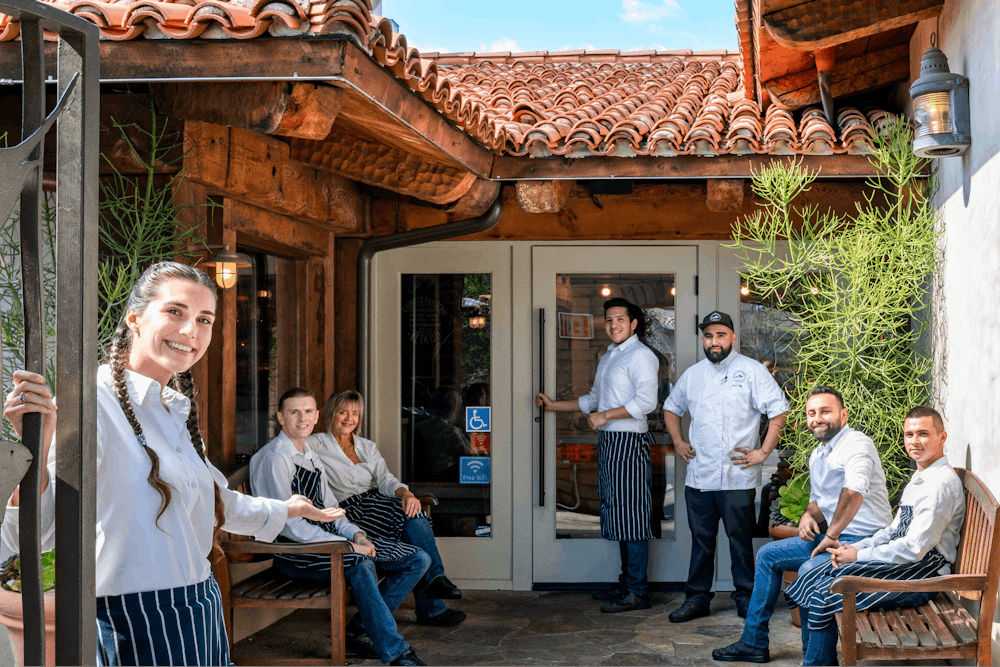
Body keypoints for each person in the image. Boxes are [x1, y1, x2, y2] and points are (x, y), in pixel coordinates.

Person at [1, 261, 340, 667]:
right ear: (135, 318)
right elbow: (36, 532)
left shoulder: (173, 411)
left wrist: (288, 509)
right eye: (175, 312)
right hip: (135, 616)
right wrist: (33, 450)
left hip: (201, 601)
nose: (190, 331)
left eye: (204, 319)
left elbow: (215, 503)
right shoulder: (90, 404)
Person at [713, 385, 893, 664]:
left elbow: (854, 490)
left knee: (809, 569)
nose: (817, 418)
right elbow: (819, 499)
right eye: (811, 413)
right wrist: (809, 515)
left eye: (825, 411)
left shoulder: (857, 444)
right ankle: (754, 642)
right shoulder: (819, 453)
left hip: (864, 539)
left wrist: (830, 534)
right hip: (837, 536)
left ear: (843, 415)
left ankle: (817, 660)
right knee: (768, 555)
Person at [250, 388, 428, 666]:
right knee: (361, 563)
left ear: (317, 415)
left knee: (418, 559)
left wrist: (356, 534)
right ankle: (394, 651)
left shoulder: (309, 453)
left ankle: (360, 630)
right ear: (281, 418)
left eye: (308, 411)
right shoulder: (275, 458)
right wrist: (346, 546)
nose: (302, 418)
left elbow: (332, 508)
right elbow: (291, 527)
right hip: (296, 553)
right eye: (294, 412)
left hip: (329, 542)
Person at [787, 405, 965, 666]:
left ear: (942, 437)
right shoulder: (922, 476)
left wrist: (859, 555)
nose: (914, 442)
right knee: (816, 573)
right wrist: (857, 548)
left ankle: (816, 663)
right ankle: (817, 661)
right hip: (906, 565)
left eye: (923, 434)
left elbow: (915, 548)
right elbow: (894, 531)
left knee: (827, 589)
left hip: (922, 575)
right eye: (909, 435)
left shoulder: (940, 484)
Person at [663, 311, 789, 621]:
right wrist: (679, 442)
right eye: (708, 335)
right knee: (702, 542)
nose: (714, 341)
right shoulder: (693, 375)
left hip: (738, 477)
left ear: (733, 338)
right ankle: (696, 599)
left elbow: (778, 411)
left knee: (740, 541)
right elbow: (670, 408)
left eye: (721, 335)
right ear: (703, 339)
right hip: (700, 476)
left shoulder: (752, 371)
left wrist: (763, 451)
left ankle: (746, 598)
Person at [535, 297, 659, 613]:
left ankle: (637, 591)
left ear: (633, 324)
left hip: (629, 443)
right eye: (609, 320)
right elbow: (593, 400)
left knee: (631, 515)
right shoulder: (609, 357)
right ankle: (626, 584)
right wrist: (553, 406)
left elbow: (646, 403)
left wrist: (606, 417)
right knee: (618, 512)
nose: (613, 324)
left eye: (620, 319)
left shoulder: (641, 356)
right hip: (610, 443)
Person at [309, 389, 468, 627]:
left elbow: (385, 480)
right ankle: (432, 599)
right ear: (331, 413)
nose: (349, 418)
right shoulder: (316, 443)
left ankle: (434, 586)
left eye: (355, 413)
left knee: (413, 511)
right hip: (348, 512)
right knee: (410, 523)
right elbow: (287, 449)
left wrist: (406, 493)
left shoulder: (366, 446)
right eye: (343, 412)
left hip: (374, 504)